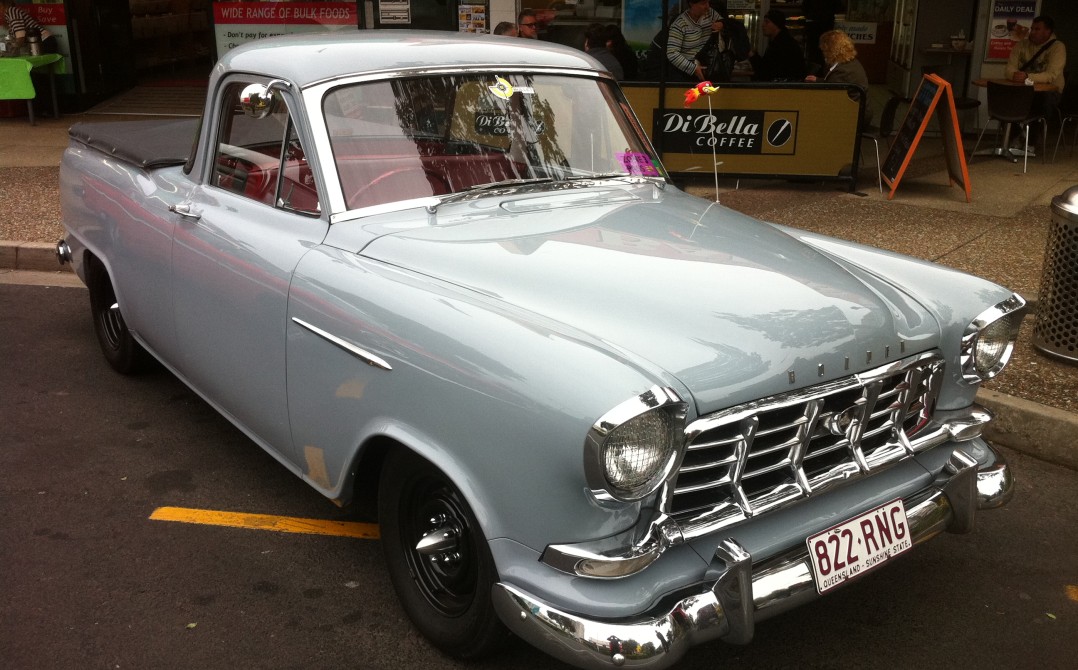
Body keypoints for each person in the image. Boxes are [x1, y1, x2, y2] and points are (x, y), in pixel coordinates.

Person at [1005, 15, 1066, 121]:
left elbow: (1051, 75)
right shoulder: (1021, 45)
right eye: (1032, 28)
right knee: (1006, 98)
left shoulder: (1058, 47)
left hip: (1049, 92)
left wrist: (1027, 77)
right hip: (1023, 89)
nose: (1032, 32)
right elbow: (1009, 68)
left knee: (1039, 102)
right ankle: (1011, 133)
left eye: (1037, 29)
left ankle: (1034, 134)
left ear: (1048, 31)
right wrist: (1014, 75)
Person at [805, 30, 871, 123]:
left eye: (824, 50)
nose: (823, 54)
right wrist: (819, 80)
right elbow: (837, 84)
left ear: (830, 50)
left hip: (854, 118)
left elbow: (831, 97)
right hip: (858, 111)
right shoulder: (849, 63)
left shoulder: (843, 71)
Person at [666, 0, 724, 82]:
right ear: (692, 4)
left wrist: (721, 24)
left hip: (708, 68)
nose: (707, 6)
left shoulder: (710, 13)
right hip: (685, 74)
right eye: (703, 3)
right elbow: (672, 53)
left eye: (708, 2)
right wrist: (693, 69)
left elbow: (723, 21)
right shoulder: (679, 24)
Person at [748, 10, 805, 82]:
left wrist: (753, 56)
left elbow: (766, 73)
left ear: (777, 25)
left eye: (767, 22)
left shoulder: (783, 45)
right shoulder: (780, 40)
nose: (763, 25)